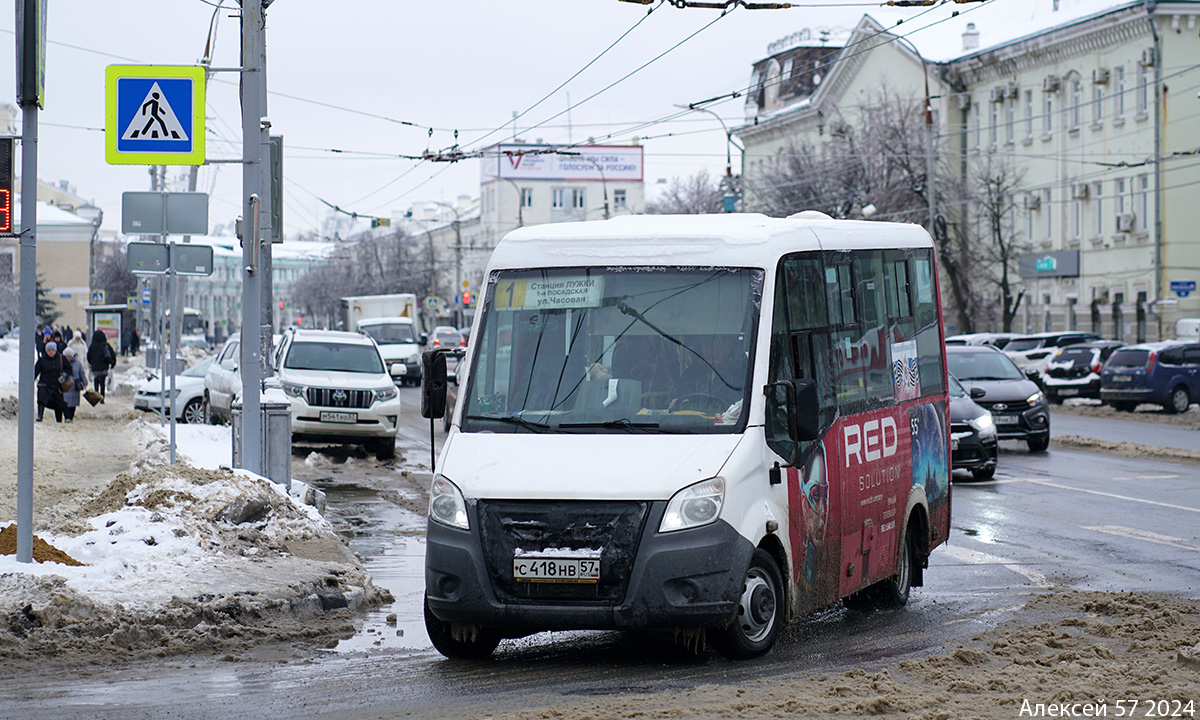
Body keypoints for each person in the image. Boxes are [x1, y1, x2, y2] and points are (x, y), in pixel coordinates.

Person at [33, 341, 66, 422]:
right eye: (49, 350)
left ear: (55, 350)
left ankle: (59, 419)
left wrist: (64, 375)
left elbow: (68, 369)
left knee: (58, 402)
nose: (51, 352)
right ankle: (40, 416)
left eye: (52, 350)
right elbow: (35, 372)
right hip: (44, 384)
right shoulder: (42, 360)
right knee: (41, 400)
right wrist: (30, 382)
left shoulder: (61, 358)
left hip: (57, 384)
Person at [87, 330, 117, 402]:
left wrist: (91, 363)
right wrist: (113, 364)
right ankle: (102, 398)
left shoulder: (92, 346)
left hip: (95, 368)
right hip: (104, 368)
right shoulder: (106, 345)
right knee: (102, 383)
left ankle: (96, 397)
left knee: (96, 382)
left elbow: (88, 356)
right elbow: (112, 355)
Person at [61, 347, 88, 422]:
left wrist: (85, 382)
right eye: (67, 357)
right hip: (65, 385)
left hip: (75, 386)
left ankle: (71, 417)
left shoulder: (77, 363)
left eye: (70, 356)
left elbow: (81, 373)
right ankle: (67, 417)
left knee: (73, 403)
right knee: (65, 402)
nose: (68, 358)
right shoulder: (61, 362)